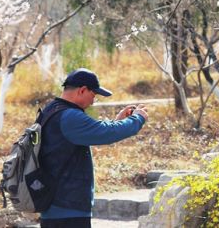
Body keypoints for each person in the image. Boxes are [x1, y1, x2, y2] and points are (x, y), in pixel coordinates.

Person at [38, 68, 149, 228]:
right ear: (82, 90)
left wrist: (117, 121)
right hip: (67, 210)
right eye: (94, 96)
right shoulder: (70, 117)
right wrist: (137, 118)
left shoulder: (52, 110)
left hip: (56, 208)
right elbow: (107, 133)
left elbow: (99, 132)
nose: (92, 102)